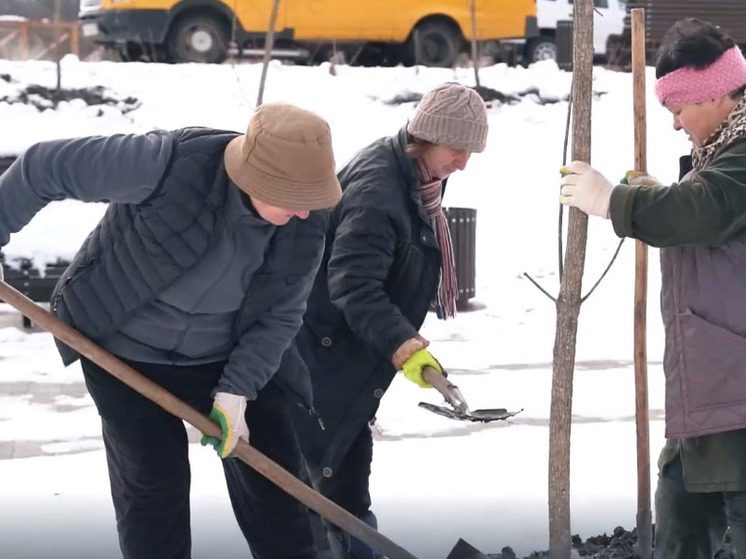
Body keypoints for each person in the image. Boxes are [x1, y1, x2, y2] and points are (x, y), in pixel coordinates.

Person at [0, 102, 342, 559]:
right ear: (255, 177)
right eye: (293, 198)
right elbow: (44, 167)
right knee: (153, 484)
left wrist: (236, 391)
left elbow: (280, 313)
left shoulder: (307, 218)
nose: (304, 214)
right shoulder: (167, 163)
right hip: (123, 350)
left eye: (311, 200)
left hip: (225, 353)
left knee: (278, 485)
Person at [559, 18, 746, 558]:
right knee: (681, 519)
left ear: (713, 96)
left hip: (737, 393)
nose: (674, 125)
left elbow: (705, 210)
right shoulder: (722, 155)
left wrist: (617, 203)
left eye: (677, 110)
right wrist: (655, 197)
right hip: (710, 387)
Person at [279, 83, 489, 558]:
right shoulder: (378, 193)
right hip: (321, 354)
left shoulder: (414, 176)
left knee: (341, 477)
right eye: (457, 149)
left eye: (471, 151)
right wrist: (404, 345)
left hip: (346, 351)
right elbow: (353, 285)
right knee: (324, 481)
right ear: (428, 137)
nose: (463, 162)